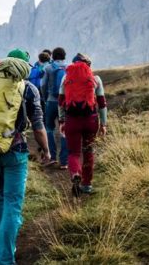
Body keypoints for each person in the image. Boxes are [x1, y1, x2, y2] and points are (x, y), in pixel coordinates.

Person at [0, 49, 50, 265]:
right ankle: (5, 259)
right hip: (15, 151)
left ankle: (6, 244)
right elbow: (39, 126)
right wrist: (46, 150)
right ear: (23, 66)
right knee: (13, 203)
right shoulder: (29, 89)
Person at [59, 53, 107, 196]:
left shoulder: (65, 78)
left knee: (73, 152)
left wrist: (62, 120)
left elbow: (60, 102)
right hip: (90, 120)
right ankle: (87, 185)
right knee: (88, 152)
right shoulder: (96, 79)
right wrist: (103, 124)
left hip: (72, 120)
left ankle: (75, 174)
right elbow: (102, 104)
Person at [41, 47, 69, 169]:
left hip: (51, 101)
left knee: (49, 128)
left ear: (53, 56)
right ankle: (64, 161)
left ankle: (52, 157)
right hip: (64, 102)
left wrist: (45, 97)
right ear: (64, 56)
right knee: (63, 129)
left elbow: (43, 85)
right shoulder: (69, 68)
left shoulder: (48, 68)